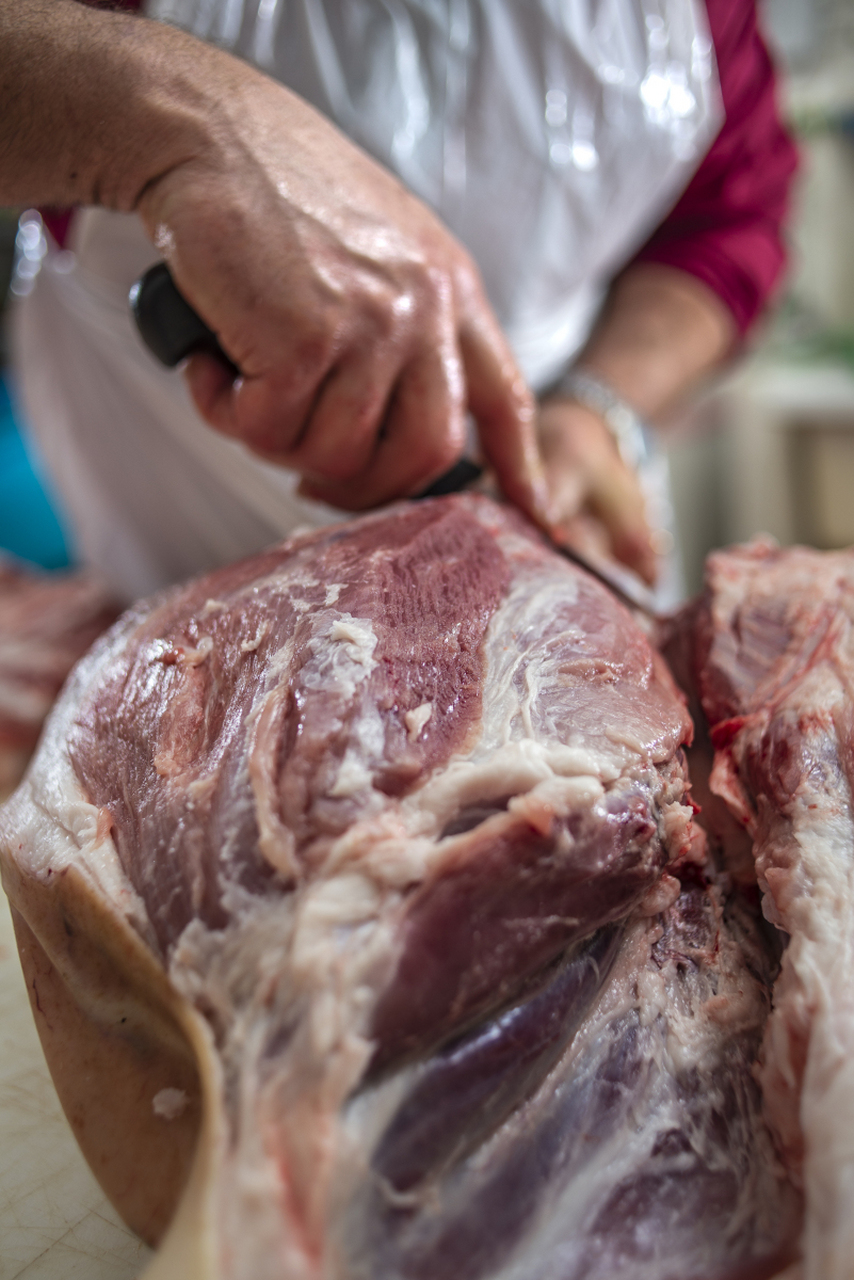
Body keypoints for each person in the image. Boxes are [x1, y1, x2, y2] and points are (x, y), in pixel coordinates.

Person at [0, 0, 796, 602]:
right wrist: (178, 126)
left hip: (556, 555)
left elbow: (729, 219)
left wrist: (595, 407)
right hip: (179, 581)